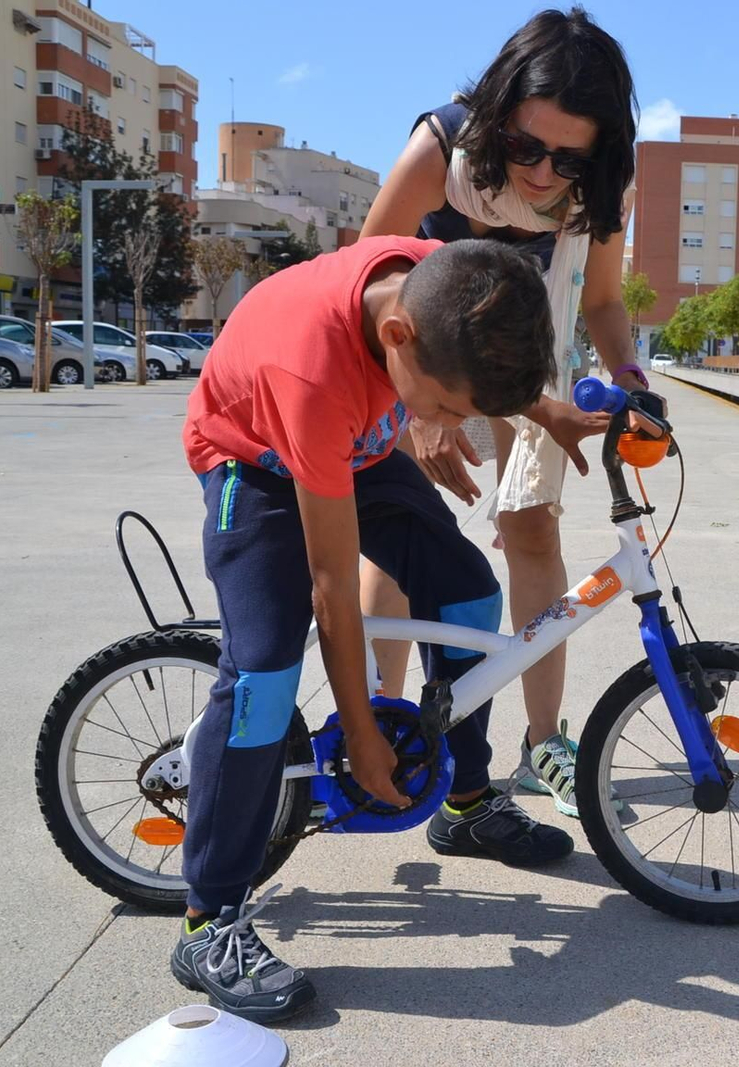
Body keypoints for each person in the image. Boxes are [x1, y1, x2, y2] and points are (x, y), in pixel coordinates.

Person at [173, 235, 565, 1021]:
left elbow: (474, 362)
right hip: (257, 463)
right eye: (450, 408)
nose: (451, 427)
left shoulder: (446, 282)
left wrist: (554, 409)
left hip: (353, 450)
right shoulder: (310, 371)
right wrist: (359, 728)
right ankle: (207, 918)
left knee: (468, 595)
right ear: (397, 339)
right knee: (263, 673)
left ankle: (465, 802)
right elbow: (330, 586)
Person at [358, 7, 645, 821]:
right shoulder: (441, 149)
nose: (545, 173)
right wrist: (417, 412)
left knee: (532, 529)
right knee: (402, 533)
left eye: (569, 155)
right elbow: (360, 275)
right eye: (525, 147)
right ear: (495, 120)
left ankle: (542, 740)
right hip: (404, 353)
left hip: (527, 362)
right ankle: (380, 721)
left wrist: (634, 380)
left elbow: (604, 300)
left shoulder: (598, 191)